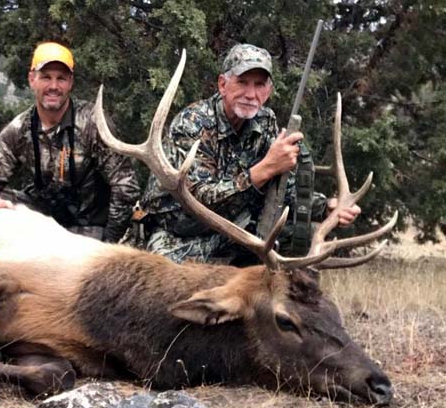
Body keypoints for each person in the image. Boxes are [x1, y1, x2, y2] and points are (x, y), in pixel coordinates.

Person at [140, 43, 360, 263]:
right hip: (182, 231)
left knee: (297, 244)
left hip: (235, 228)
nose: (251, 94)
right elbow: (198, 200)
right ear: (223, 84)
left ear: (268, 91)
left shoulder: (265, 121)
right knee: (164, 274)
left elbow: (282, 190)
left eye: (259, 84)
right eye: (242, 82)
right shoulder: (193, 123)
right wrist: (266, 168)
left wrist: (325, 207)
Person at [0, 42, 140, 242]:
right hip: (41, 220)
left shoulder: (93, 123)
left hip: (89, 228)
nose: (53, 86)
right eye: (46, 77)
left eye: (61, 78)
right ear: (32, 79)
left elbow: (126, 186)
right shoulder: (20, 128)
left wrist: (110, 242)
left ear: (70, 83)